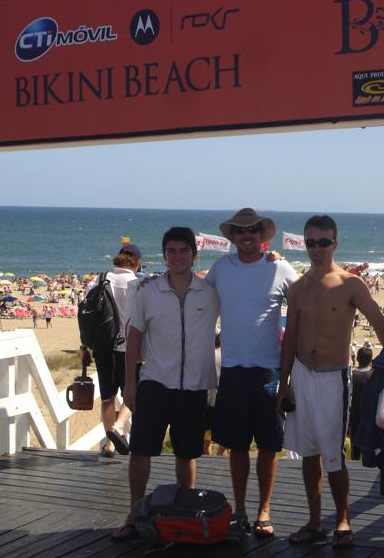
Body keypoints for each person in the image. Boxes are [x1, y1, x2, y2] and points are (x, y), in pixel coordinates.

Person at [276, 215, 384, 548]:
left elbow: (377, 319)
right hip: (302, 374)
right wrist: (283, 383)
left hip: (334, 378)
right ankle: (314, 521)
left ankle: (343, 520)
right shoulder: (298, 288)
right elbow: (290, 338)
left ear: (334, 244)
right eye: (310, 242)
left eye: (323, 242)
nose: (316, 249)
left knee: (333, 454)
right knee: (308, 452)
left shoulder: (349, 284)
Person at [112, 227, 220, 542]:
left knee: (186, 454)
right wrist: (130, 384)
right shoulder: (148, 292)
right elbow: (133, 339)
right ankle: (134, 513)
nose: (177, 257)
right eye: (171, 251)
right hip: (155, 382)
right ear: (163, 255)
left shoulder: (210, 292)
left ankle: (186, 514)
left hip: (194, 386)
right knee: (140, 451)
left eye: (183, 251)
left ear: (194, 255)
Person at [206, 208, 298, 540]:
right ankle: (241, 509)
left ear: (262, 236)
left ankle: (264, 510)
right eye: (240, 231)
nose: (246, 236)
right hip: (232, 370)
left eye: (252, 230)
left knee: (269, 444)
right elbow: (195, 295)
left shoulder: (280, 268)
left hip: (269, 371)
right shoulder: (221, 268)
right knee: (237, 445)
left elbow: (307, 299)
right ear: (232, 237)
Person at [88, 244, 143, 457]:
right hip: (129, 347)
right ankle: (119, 427)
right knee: (133, 394)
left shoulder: (99, 280)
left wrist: (85, 346)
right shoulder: (137, 284)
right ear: (137, 262)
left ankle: (110, 445)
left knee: (107, 398)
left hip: (102, 347)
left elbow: (88, 316)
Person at [348, 346, 373, 461]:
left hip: (355, 417)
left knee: (355, 451)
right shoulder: (374, 375)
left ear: (357, 359)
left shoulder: (352, 376)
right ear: (371, 360)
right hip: (370, 417)